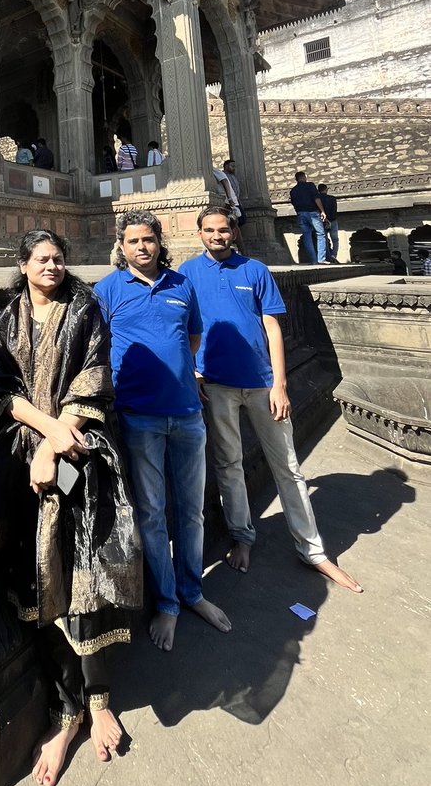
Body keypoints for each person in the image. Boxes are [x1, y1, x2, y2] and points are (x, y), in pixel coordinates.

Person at [0, 230, 140, 786]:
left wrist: (55, 444)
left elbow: (94, 380)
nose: (53, 265)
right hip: (24, 459)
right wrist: (43, 432)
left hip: (79, 457)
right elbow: (3, 391)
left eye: (59, 257)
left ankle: (98, 700)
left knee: (84, 578)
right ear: (22, 265)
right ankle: (66, 709)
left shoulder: (85, 309)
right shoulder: (5, 320)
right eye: (42, 259)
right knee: (36, 579)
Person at [179, 207, 362, 592]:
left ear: (233, 232)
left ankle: (313, 550)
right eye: (210, 230)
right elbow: (184, 327)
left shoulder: (255, 271)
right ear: (199, 234)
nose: (218, 236)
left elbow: (273, 327)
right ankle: (242, 536)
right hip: (216, 385)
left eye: (224, 229)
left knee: (288, 467)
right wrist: (193, 370)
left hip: (262, 383)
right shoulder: (187, 274)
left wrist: (280, 383)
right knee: (229, 463)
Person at [94, 211, 230, 653]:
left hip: (187, 413)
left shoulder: (180, 285)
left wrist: (180, 374)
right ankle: (167, 602)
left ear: (159, 242)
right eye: (133, 241)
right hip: (139, 417)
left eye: (148, 240)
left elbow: (191, 338)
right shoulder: (109, 290)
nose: (142, 248)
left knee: (191, 511)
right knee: (151, 513)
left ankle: (193, 592)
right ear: (121, 246)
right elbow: (95, 347)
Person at [289, 171, 328, 264]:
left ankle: (314, 261)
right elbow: (316, 198)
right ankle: (321, 259)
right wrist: (322, 211)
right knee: (320, 234)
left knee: (307, 236)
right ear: (304, 177)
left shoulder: (293, 190)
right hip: (312, 212)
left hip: (301, 213)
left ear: (296, 179)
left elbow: (294, 203)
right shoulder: (310, 185)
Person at [316, 183, 339, 262]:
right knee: (335, 240)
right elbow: (334, 210)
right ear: (326, 189)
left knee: (324, 239)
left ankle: (328, 256)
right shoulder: (332, 198)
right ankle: (333, 255)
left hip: (323, 221)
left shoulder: (317, 199)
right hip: (333, 220)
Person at [222, 159, 246, 228]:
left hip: (236, 200)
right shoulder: (223, 175)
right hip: (230, 201)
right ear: (226, 166)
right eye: (232, 166)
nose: (234, 168)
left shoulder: (233, 176)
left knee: (241, 219)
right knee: (239, 219)